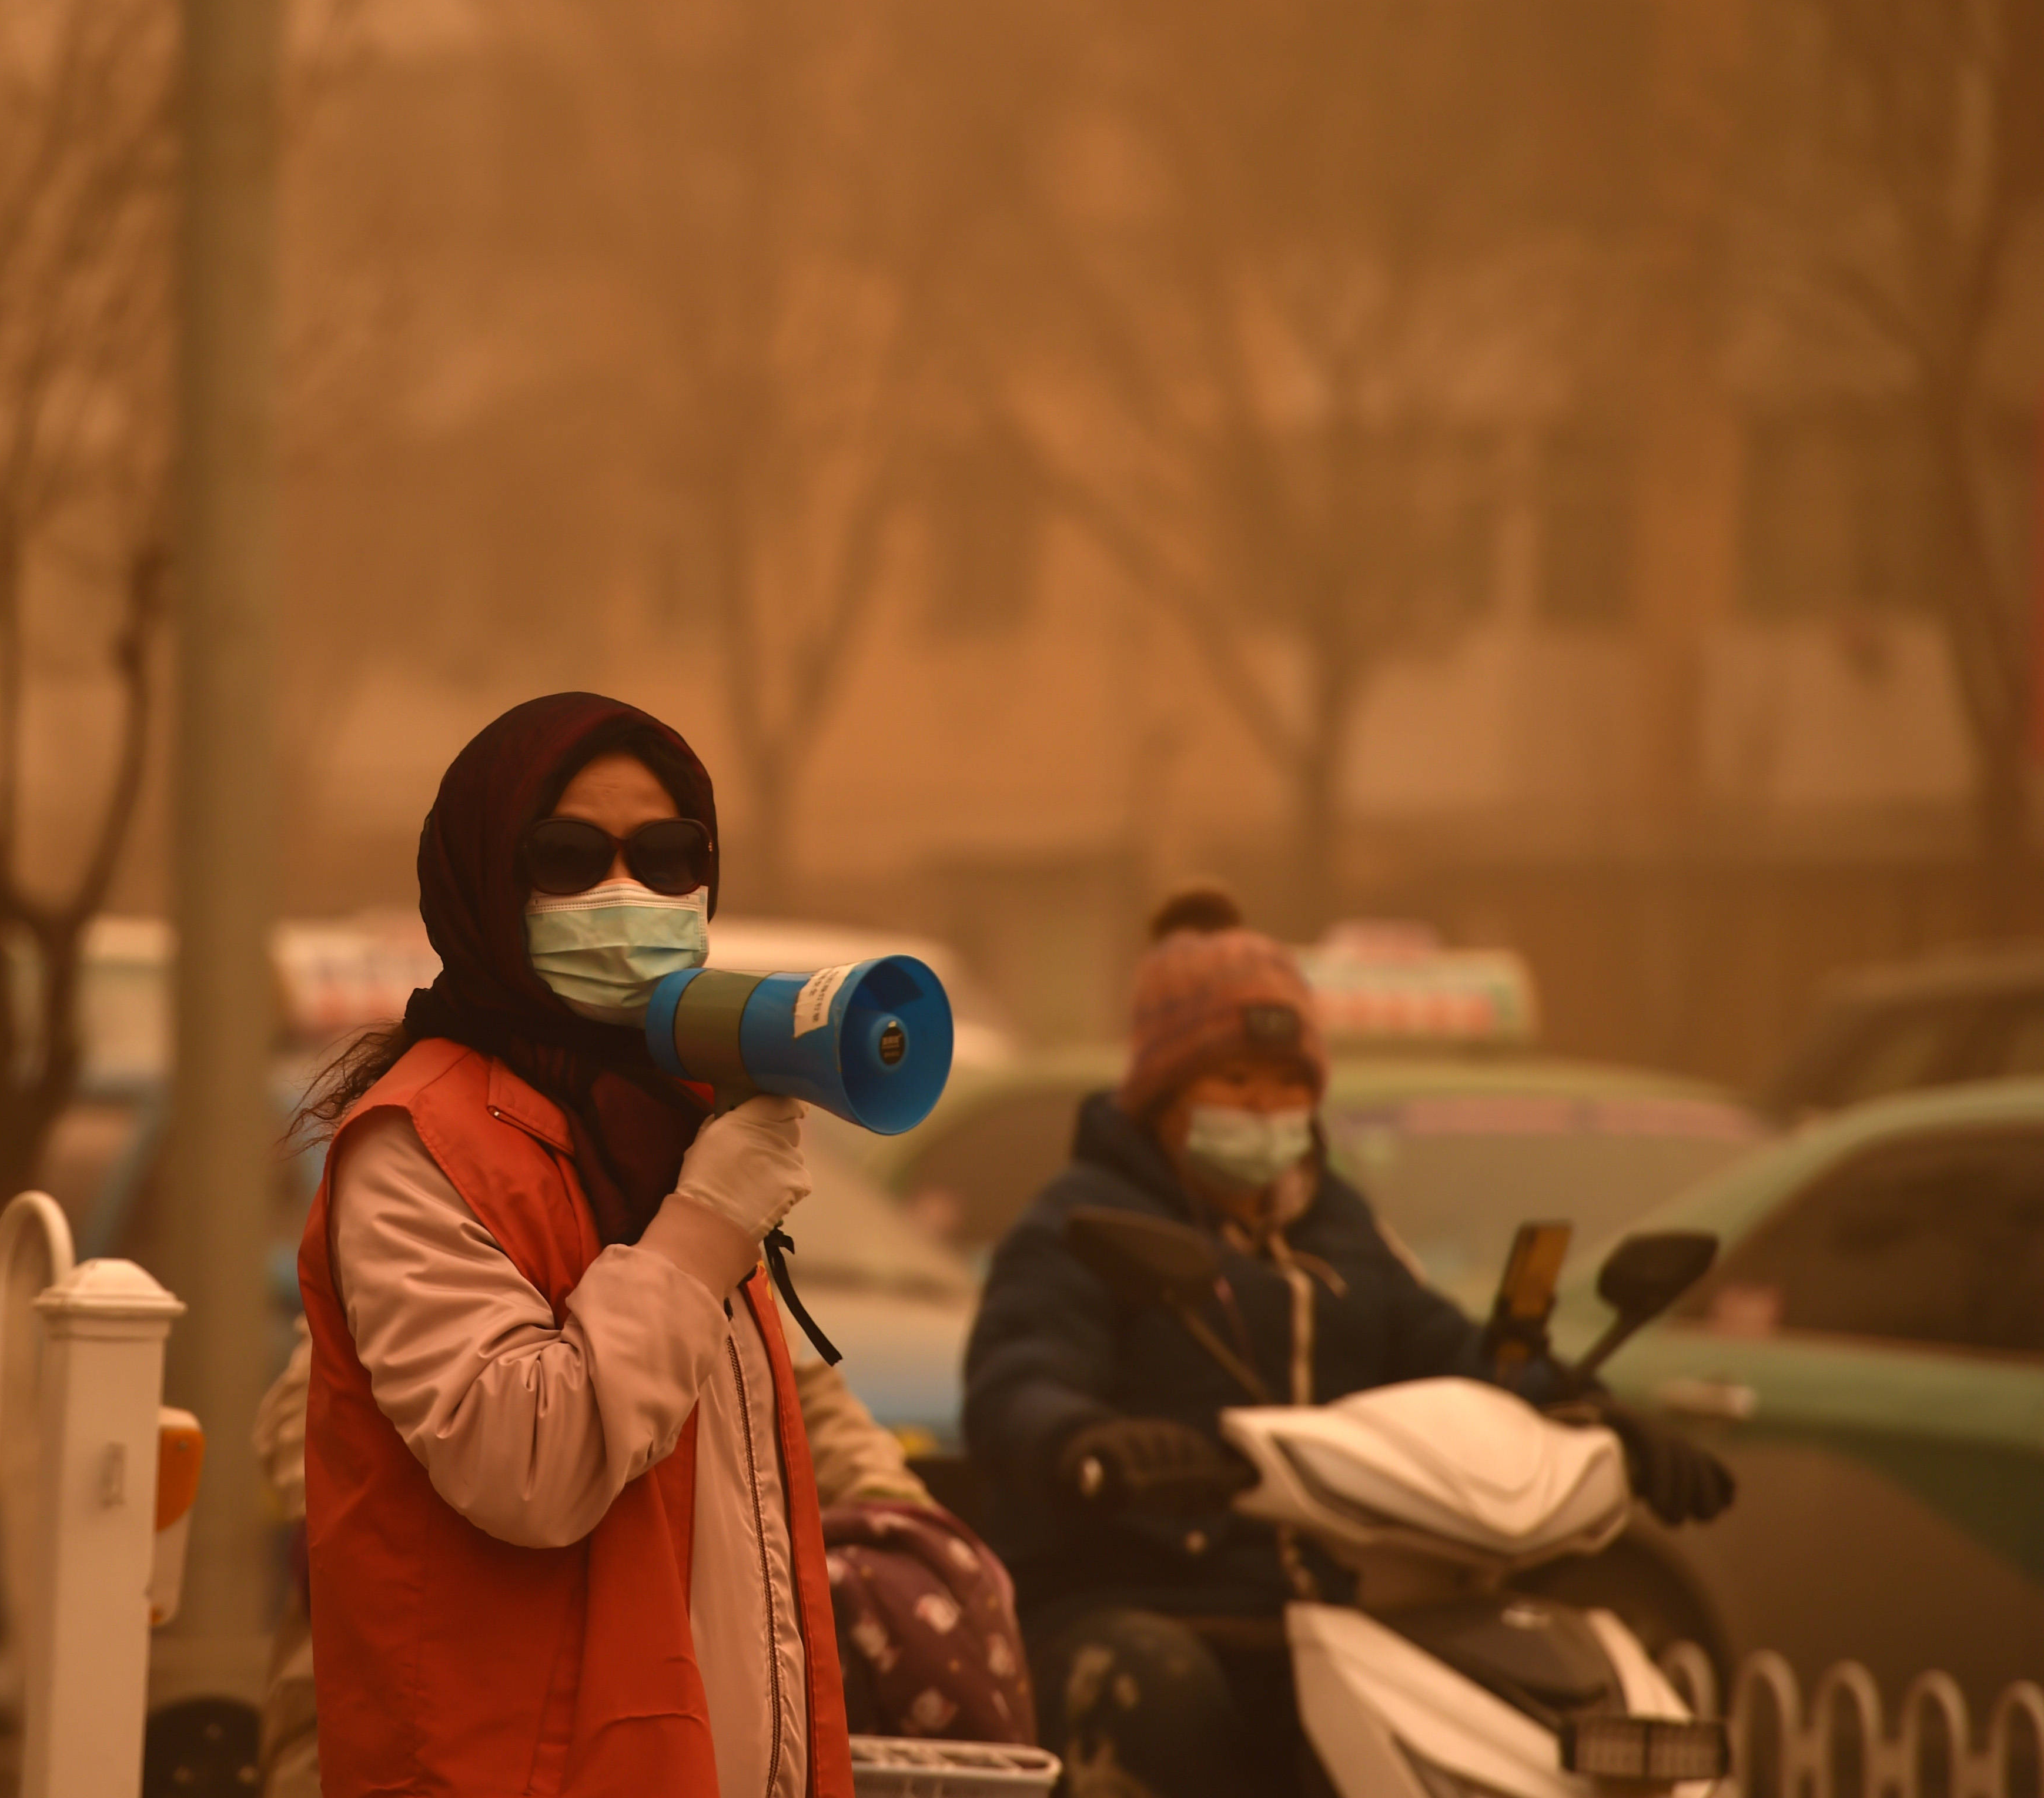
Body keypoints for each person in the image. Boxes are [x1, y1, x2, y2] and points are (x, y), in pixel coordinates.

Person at [961, 888, 1734, 1798]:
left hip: (1342, 1616)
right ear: (1166, 1097)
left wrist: (1594, 1417)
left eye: (1290, 1083)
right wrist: (1083, 1440)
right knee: (1157, 1690)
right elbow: (1019, 1376)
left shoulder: (1341, 1231)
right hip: (1143, 1602)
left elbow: (1455, 1356)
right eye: (1236, 1081)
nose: (1268, 1108)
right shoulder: (1080, 1226)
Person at [293, 692, 850, 1798]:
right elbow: (529, 1469)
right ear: (488, 884)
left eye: (666, 855)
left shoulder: (671, 1123)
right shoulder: (417, 1145)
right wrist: (705, 1228)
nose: (625, 894)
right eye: (567, 856)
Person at [255, 1328, 1035, 1798]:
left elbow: (805, 1406)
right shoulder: (439, 1192)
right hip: (389, 1703)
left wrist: (895, 1534)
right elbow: (310, 1440)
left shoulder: (701, 1234)